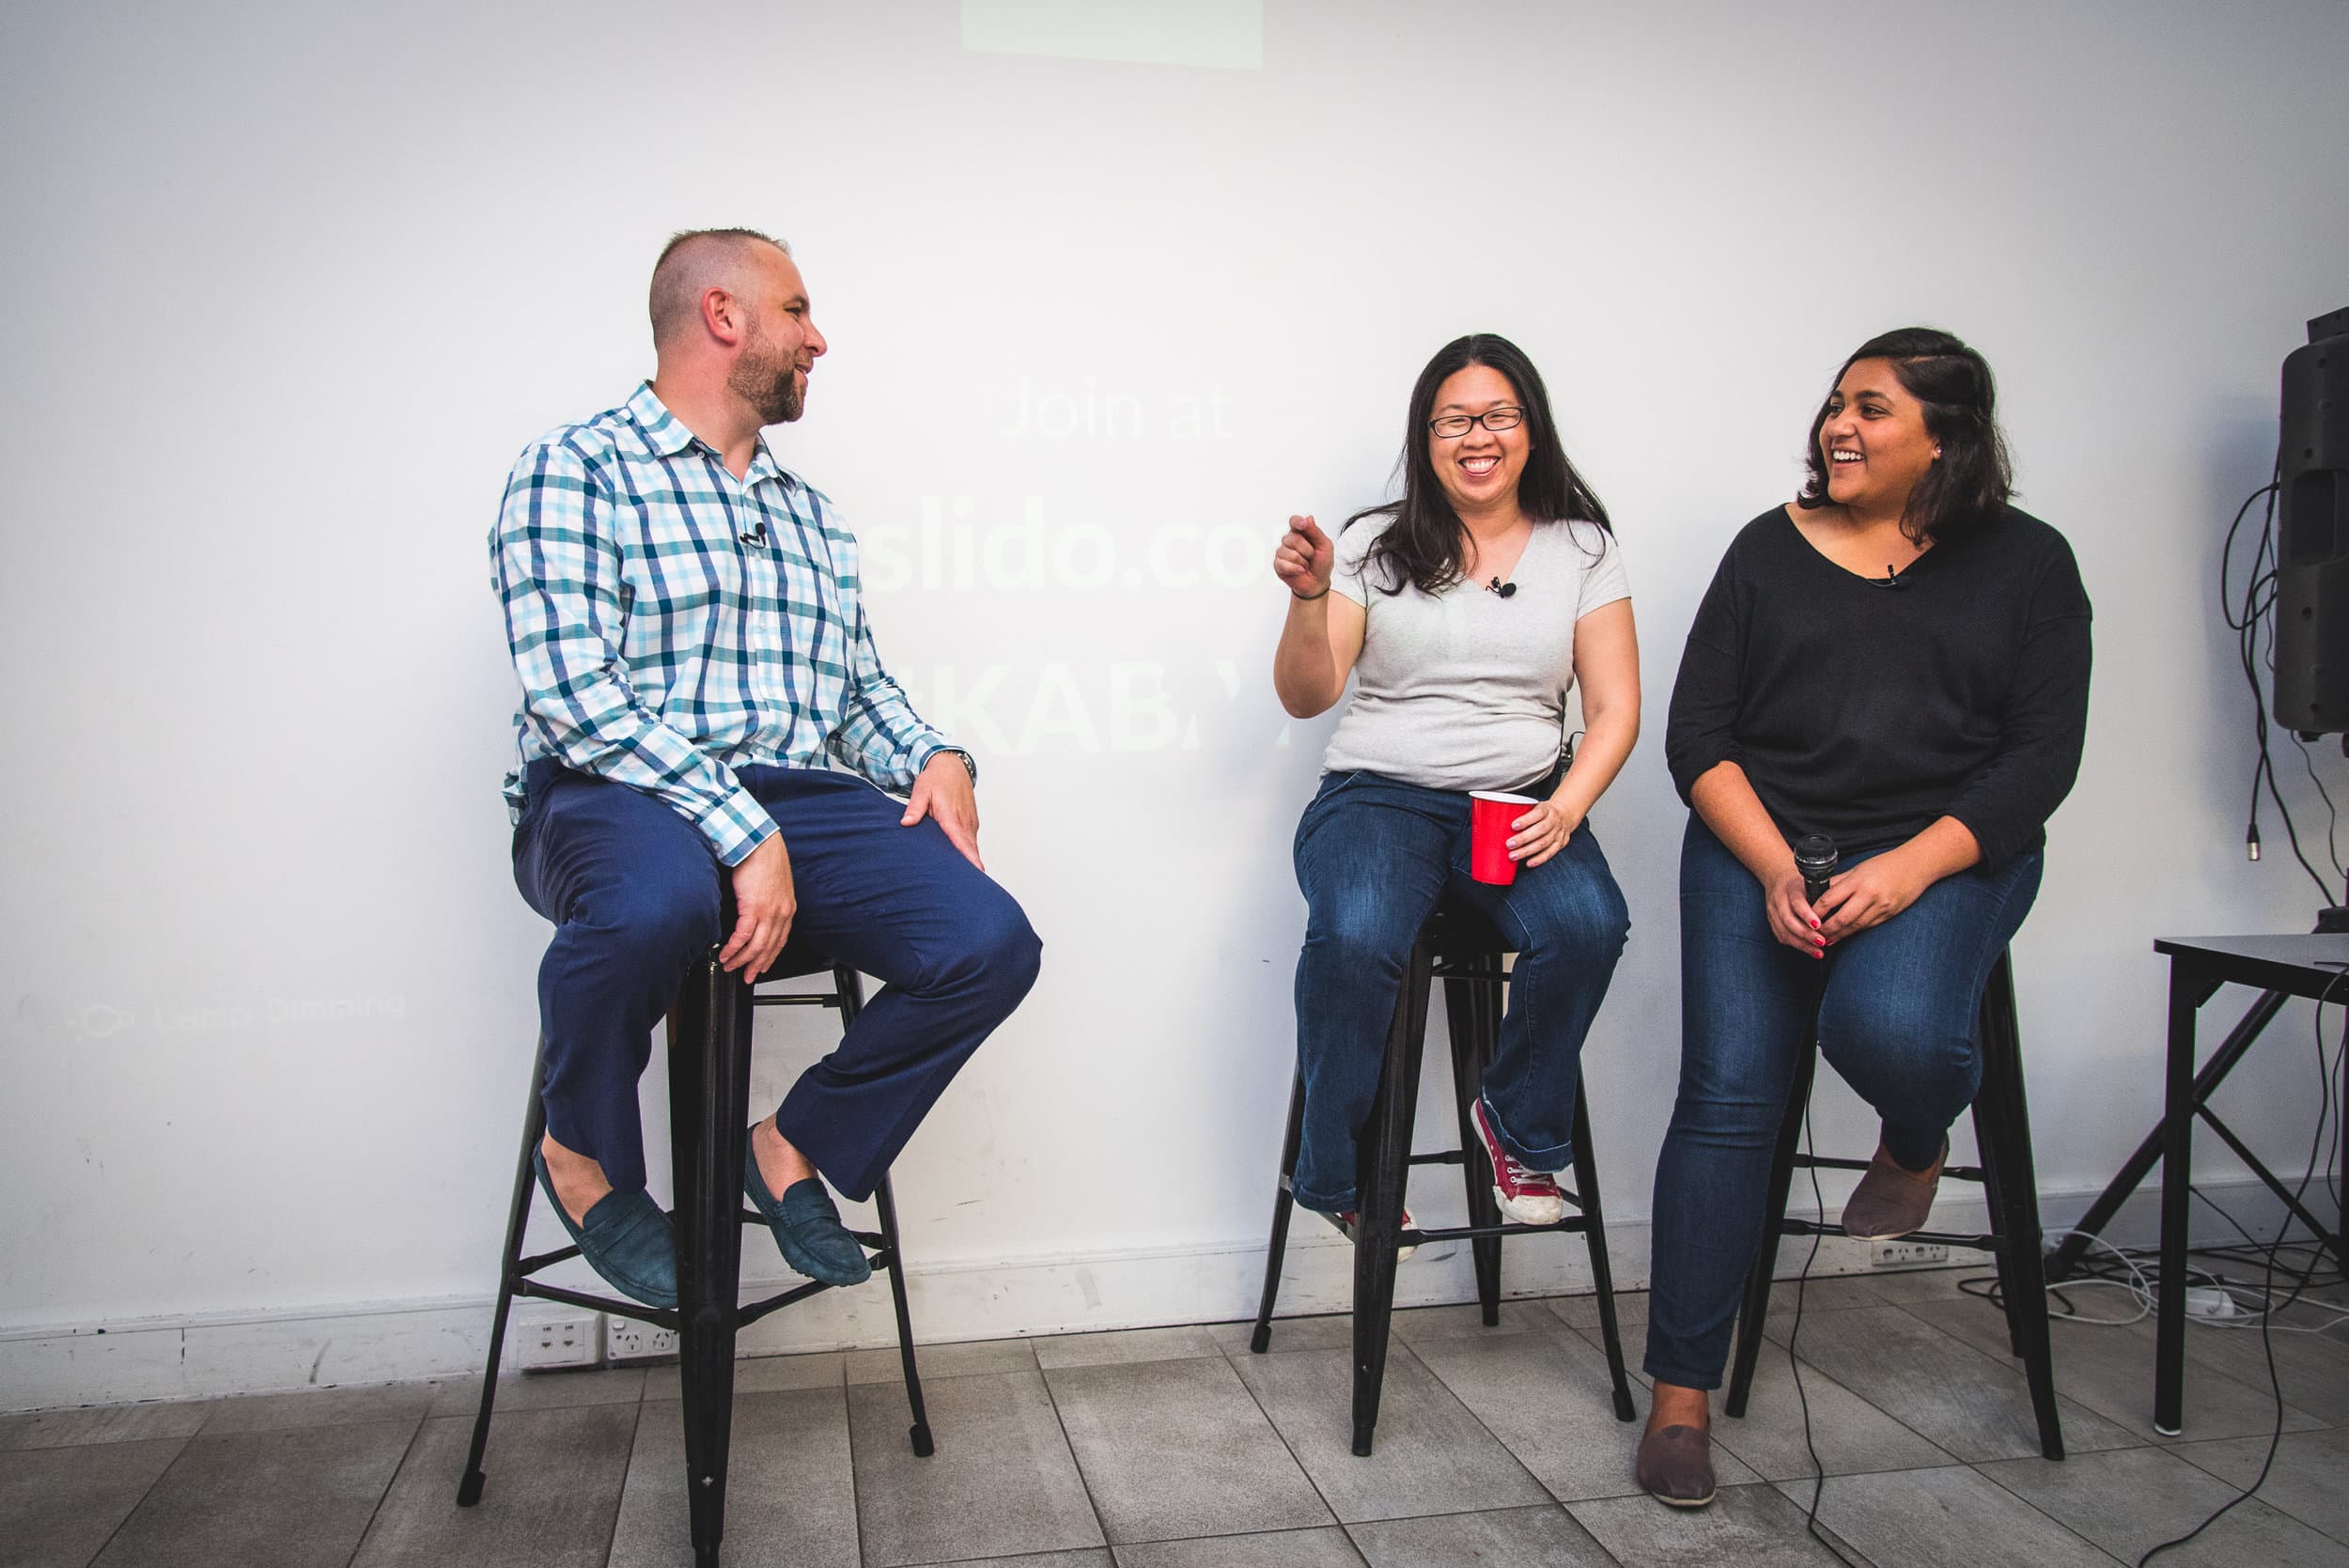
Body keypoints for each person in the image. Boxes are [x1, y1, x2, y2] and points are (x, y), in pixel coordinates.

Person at [491, 227, 1041, 1309]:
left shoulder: (810, 519)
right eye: (797, 311)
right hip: (614, 792)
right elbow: (573, 695)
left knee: (988, 940)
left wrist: (935, 752)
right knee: (653, 905)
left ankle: (790, 1144)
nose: (817, 339)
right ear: (722, 316)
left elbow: (854, 695)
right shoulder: (575, 469)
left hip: (789, 800)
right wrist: (741, 831)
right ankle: (586, 1158)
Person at [1638, 328, 2092, 1506]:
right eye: (1837, 403)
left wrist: (1906, 870)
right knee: (1728, 1100)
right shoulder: (1765, 551)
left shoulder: (2031, 566)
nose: (1839, 425)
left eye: (1872, 409)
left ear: (1946, 436)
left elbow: (2040, 760)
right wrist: (1779, 865)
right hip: (1761, 843)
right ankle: (1680, 1401)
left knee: (1887, 1026)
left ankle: (1914, 1144)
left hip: (1945, 853)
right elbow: (1699, 736)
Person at [1270, 333, 1639, 1241]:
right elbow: (1307, 694)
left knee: (1590, 923)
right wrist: (1310, 598)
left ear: (1531, 427)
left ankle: (1514, 1126)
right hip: (1378, 797)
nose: (1478, 436)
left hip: (1522, 801)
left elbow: (1617, 706)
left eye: (1499, 415)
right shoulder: (1371, 542)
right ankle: (1338, 1170)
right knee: (1357, 936)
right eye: (1455, 420)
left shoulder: (1583, 546)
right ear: (1426, 436)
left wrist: (1567, 805)